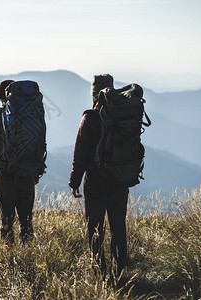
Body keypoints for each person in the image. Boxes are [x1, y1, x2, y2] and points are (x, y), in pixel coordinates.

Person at [69, 74, 129, 280]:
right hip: (120, 179)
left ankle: (100, 273)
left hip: (96, 180)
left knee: (95, 228)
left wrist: (74, 181)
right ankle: (120, 273)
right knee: (118, 226)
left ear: (94, 94)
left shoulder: (90, 118)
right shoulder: (123, 115)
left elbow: (81, 152)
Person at [0, 79, 42, 244]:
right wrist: (36, 170)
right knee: (26, 219)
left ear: (0, 96)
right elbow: (39, 141)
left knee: (6, 219)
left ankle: (8, 257)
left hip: (4, 174)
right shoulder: (32, 114)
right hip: (27, 172)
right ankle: (26, 255)